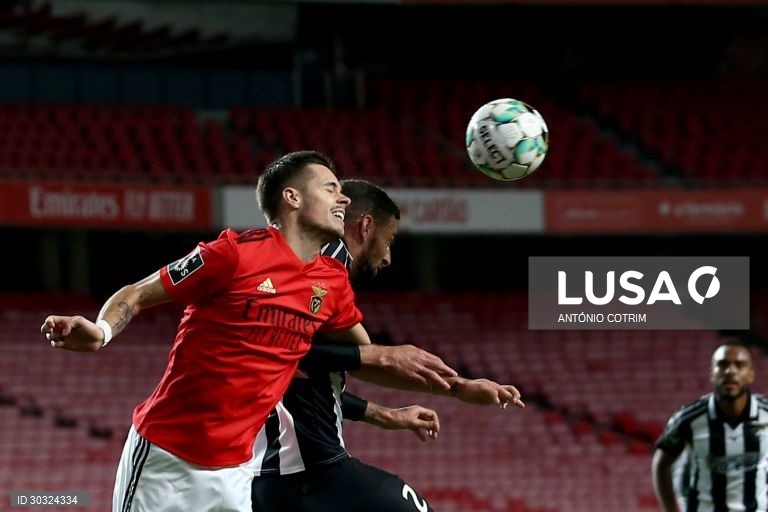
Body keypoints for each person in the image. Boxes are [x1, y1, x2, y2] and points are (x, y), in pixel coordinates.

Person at [39, 152, 456, 512]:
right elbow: (137, 293)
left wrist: (458, 388)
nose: (343, 197)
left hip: (237, 474)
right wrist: (101, 331)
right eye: (330, 189)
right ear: (291, 198)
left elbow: (369, 360)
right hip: (168, 459)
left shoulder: (331, 282)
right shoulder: (232, 255)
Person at [251, 179, 524, 512]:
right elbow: (279, 351)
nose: (389, 257)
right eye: (389, 240)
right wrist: (454, 386)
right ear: (366, 226)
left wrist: (386, 413)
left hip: (278, 478)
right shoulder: (324, 264)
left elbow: (315, 368)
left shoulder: (314, 272)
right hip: (309, 473)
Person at [652, 341, 768, 512]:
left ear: (751, 375)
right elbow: (661, 464)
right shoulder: (689, 418)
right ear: (713, 373)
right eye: (722, 365)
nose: (730, 371)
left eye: (739, 365)